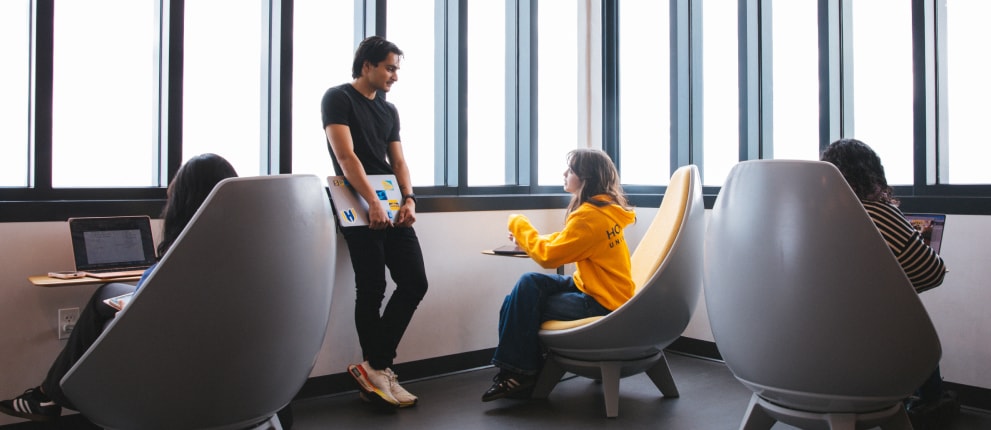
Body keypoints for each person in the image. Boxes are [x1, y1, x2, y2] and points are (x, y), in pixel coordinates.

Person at [0, 153, 239, 423]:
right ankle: (48, 394)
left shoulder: (183, 257)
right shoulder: (250, 247)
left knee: (111, 302)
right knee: (108, 292)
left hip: (174, 350)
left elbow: (151, 300)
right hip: (237, 356)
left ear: (183, 206)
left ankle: (48, 395)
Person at [321, 35, 428, 409]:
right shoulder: (337, 97)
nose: (394, 75)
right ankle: (379, 372)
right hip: (355, 201)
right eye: (389, 67)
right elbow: (346, 156)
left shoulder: (389, 109)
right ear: (367, 65)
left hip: (391, 200)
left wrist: (409, 197)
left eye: (397, 68)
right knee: (372, 288)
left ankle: (375, 366)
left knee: (414, 281)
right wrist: (371, 202)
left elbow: (398, 161)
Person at [482, 148, 637, 402]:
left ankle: (520, 374)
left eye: (571, 170)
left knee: (516, 302)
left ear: (586, 178)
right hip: (598, 289)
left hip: (601, 302)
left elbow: (549, 257)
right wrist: (530, 241)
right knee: (527, 285)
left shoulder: (589, 217)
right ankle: (523, 370)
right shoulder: (606, 210)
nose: (565, 173)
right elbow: (566, 241)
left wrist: (518, 223)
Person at [820, 138, 956, 427]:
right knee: (909, 317)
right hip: (867, 345)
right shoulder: (881, 213)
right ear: (872, 173)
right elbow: (932, 272)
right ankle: (930, 403)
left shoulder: (813, 216)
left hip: (811, 340)